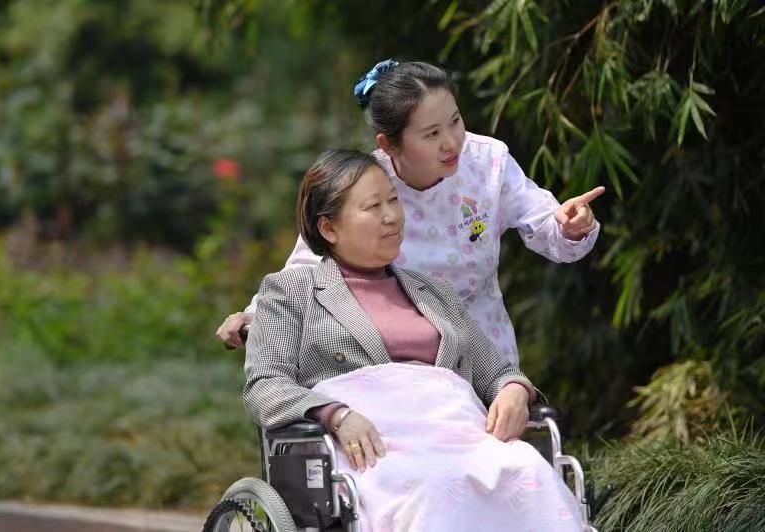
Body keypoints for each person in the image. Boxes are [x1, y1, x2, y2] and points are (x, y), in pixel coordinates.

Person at [243, 149, 583, 531]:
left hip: (457, 435)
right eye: (373, 206)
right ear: (329, 229)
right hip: (372, 446)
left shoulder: (434, 292)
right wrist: (336, 415)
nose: (391, 215)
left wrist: (514, 390)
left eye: (393, 200)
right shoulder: (291, 291)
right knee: (436, 486)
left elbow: (498, 371)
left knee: (528, 468)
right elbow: (265, 385)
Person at [219, 59, 604, 365]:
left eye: (455, 121)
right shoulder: (363, 185)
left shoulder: (488, 161)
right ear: (389, 145)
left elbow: (543, 220)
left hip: (484, 347)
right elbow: (307, 264)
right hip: (395, 357)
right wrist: (257, 315)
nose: (451, 142)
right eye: (431, 133)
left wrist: (570, 225)